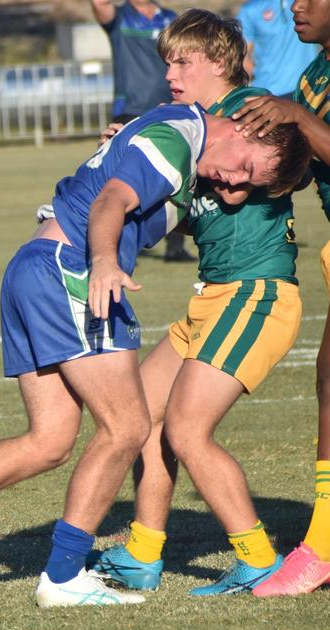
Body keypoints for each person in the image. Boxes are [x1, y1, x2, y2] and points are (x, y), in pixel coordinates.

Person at [0, 102, 309, 608]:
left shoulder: (175, 142)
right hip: (72, 271)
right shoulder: (177, 141)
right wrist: (103, 262)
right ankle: (61, 577)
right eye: (244, 169)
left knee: (50, 440)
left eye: (246, 186)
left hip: (34, 267)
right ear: (244, 127)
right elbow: (110, 202)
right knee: (127, 428)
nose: (234, 186)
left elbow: (133, 192)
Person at [90, 9, 303, 595]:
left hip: (255, 291)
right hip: (212, 294)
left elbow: (297, 164)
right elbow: (191, 217)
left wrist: (293, 119)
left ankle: (258, 557)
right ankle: (142, 552)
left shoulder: (258, 110)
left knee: (187, 430)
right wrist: (134, 152)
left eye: (183, 60)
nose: (171, 73)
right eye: (167, 62)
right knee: (140, 420)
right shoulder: (186, 126)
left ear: (220, 61)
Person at [232, 0, 330, 595]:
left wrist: (294, 116)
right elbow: (298, 165)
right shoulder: (314, 77)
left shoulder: (304, 93)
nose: (298, 5)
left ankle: (320, 546)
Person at [92, 0, 197, 263]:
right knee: (119, 177)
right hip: (129, 107)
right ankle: (116, 243)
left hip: (166, 107)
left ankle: (175, 247)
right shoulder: (119, 17)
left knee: (175, 175)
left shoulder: (169, 18)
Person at [239, 0, 318, 98]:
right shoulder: (250, 9)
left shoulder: (305, 2)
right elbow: (242, 57)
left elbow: (241, 57)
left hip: (309, 88)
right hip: (270, 93)